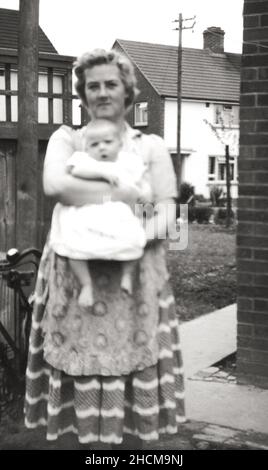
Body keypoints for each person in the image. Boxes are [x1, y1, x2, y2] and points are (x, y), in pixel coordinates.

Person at [24, 48, 185, 448]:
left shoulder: (149, 147)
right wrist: (122, 195)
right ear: (81, 93)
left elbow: (166, 206)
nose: (101, 92)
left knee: (132, 390)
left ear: (128, 90)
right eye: (92, 85)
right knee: (75, 396)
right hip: (75, 281)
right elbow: (56, 186)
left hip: (134, 281)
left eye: (110, 83)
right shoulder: (69, 139)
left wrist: (133, 237)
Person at [49, 118, 151, 307]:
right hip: (87, 213)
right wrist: (102, 174)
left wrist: (143, 196)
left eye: (107, 142)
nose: (101, 148)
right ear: (87, 148)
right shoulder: (84, 160)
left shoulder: (127, 162)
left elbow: (140, 186)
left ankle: (127, 276)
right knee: (73, 245)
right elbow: (75, 170)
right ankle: (86, 284)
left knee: (134, 240)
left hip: (117, 214)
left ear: (119, 144)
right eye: (94, 144)